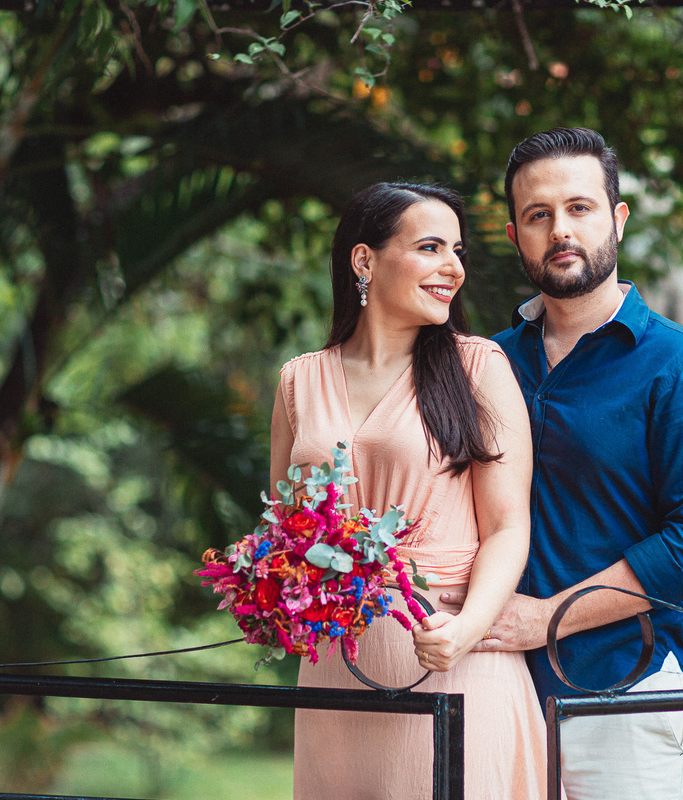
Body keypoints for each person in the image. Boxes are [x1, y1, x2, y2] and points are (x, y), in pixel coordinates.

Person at [444, 127, 683, 799]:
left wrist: (547, 617)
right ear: (516, 234)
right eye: (538, 215)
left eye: (579, 207)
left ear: (618, 218)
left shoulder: (681, 366)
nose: (560, 230)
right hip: (493, 689)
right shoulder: (483, 363)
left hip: (626, 695)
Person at [271, 182, 549, 799]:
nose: (453, 268)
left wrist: (467, 628)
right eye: (430, 247)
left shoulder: (479, 367)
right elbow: (287, 534)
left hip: (453, 661)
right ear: (364, 260)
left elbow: (507, 526)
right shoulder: (299, 380)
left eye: (458, 251)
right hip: (333, 674)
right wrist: (270, 588)